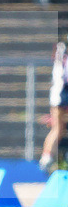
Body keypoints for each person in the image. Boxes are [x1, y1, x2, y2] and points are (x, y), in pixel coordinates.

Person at [39, 39, 68, 173]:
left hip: (58, 96)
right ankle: (47, 157)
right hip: (61, 97)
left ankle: (49, 157)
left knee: (59, 129)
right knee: (57, 129)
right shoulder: (63, 62)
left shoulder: (59, 61)